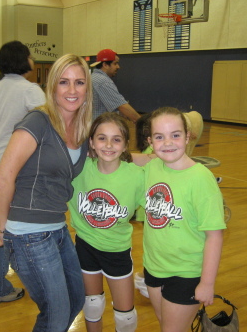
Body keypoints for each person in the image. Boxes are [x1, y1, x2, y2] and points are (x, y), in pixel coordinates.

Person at [0, 54, 93, 332]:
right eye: (64, 82)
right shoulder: (39, 120)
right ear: (53, 87)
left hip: (58, 229)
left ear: (87, 88)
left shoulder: (82, 128)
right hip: (28, 233)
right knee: (57, 314)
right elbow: (4, 176)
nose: (72, 90)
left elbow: (112, 157)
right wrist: (3, 226)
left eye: (79, 82)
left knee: (75, 300)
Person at [139, 107, 226, 332]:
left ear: (188, 136)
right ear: (150, 141)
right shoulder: (152, 167)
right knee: (165, 325)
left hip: (186, 273)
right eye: (160, 137)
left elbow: (214, 236)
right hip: (154, 267)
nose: (167, 142)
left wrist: (207, 283)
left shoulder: (200, 179)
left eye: (175, 135)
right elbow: (133, 159)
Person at [0, 41, 46, 305]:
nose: (33, 59)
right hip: (16, 165)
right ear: (22, 60)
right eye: (30, 55)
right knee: (9, 223)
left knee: (13, 218)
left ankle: (10, 275)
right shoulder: (31, 91)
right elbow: (47, 127)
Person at [69, 113, 144, 332]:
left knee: (125, 318)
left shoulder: (137, 176)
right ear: (91, 142)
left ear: (125, 146)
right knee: (92, 305)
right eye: (102, 138)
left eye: (116, 139)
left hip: (117, 251)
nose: (109, 145)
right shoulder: (78, 170)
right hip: (85, 246)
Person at [91, 49, 141, 123]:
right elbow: (122, 106)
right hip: (99, 128)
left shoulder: (93, 77)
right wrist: (141, 121)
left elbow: (101, 107)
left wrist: (121, 113)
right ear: (105, 65)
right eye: (115, 63)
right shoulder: (103, 81)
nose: (118, 67)